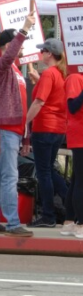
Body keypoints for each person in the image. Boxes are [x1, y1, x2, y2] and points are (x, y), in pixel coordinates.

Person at [0, 14, 36, 238]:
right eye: (17, 43)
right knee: (9, 176)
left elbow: (22, 104)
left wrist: (25, 137)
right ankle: (13, 223)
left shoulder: (13, 71)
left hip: (11, 129)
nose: (22, 47)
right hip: (6, 128)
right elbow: (8, 56)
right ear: (8, 45)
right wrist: (24, 29)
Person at [26, 38, 69, 228]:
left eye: (43, 51)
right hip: (59, 128)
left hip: (44, 127)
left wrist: (24, 122)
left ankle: (48, 215)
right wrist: (38, 80)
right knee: (49, 170)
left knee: (43, 172)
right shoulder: (62, 73)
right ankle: (72, 205)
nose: (41, 53)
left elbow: (39, 102)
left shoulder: (49, 73)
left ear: (49, 53)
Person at [60, 69, 83, 238]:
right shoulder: (75, 77)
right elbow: (73, 106)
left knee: (77, 179)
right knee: (80, 181)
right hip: (80, 135)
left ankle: (69, 221)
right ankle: (81, 224)